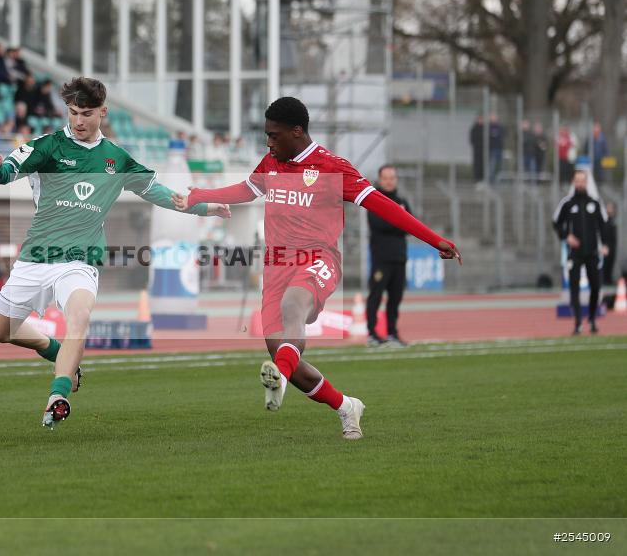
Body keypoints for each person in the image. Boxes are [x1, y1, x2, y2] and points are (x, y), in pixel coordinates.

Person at [177, 97, 460, 440]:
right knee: (285, 354)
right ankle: (345, 406)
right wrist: (200, 195)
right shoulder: (272, 161)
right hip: (276, 265)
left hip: (318, 259)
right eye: (266, 135)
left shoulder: (332, 168)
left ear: (297, 132)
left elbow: (383, 205)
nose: (268, 142)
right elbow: (246, 190)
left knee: (292, 307)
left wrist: (433, 240)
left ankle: (277, 375)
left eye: (273, 135)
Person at [0, 76, 229, 429]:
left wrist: (205, 208)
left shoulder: (115, 158)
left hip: (80, 261)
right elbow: (8, 173)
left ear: (103, 112)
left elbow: (159, 192)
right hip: (36, 257)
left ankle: (58, 396)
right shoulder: (47, 146)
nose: (78, 121)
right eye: (72, 112)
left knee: (80, 318)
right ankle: (53, 350)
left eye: (86, 113)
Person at [553, 170, 608, 335]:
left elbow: (603, 225)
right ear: (573, 182)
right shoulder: (567, 203)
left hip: (592, 252)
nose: (580, 184)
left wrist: (604, 244)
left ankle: (591, 319)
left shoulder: (595, 203)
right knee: (574, 289)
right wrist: (566, 236)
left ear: (587, 182)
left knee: (596, 287)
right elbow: (556, 223)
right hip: (575, 254)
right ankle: (577, 323)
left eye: (582, 181)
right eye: (577, 181)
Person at [365, 165, 411, 347]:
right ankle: (372, 333)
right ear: (379, 179)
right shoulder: (374, 200)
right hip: (381, 258)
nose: (389, 181)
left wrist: (396, 221)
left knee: (395, 298)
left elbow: (410, 225)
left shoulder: (402, 201)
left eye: (392, 178)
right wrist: (399, 220)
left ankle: (392, 333)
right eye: (386, 178)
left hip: (399, 257)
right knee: (375, 295)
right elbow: (378, 224)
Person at [602, 203, 618, 286]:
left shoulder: (613, 221)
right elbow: (604, 235)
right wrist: (604, 245)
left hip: (612, 248)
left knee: (610, 268)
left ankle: (608, 283)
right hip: (606, 249)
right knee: (605, 270)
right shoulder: (605, 221)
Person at [488, 114, 504, 184]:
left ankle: (499, 180)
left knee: (500, 165)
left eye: (495, 117)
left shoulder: (500, 127)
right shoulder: (488, 127)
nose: (494, 119)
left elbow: (502, 135)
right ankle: (491, 180)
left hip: (499, 148)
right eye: (493, 118)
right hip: (492, 149)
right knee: (492, 165)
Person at [468, 115, 484, 183]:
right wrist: (475, 145)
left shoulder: (485, 128)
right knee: (477, 163)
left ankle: (482, 177)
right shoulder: (474, 128)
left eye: (481, 119)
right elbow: (471, 139)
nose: (480, 121)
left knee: (483, 163)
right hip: (476, 149)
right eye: (479, 119)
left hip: (484, 149)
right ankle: (476, 178)